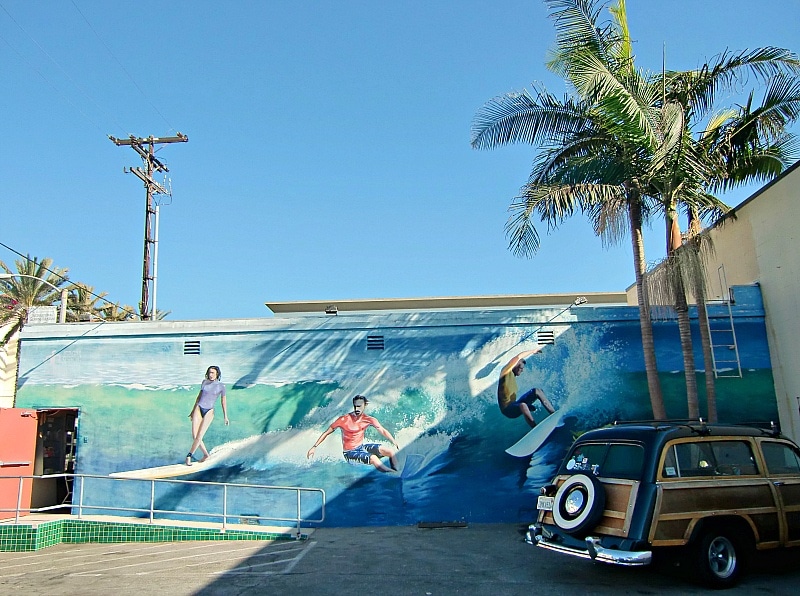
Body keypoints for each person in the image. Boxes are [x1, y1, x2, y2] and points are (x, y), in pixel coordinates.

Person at [307, 395, 399, 473]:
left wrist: (393, 441)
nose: (357, 409)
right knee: (374, 458)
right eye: (355, 406)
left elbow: (382, 430)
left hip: (361, 447)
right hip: (349, 453)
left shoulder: (369, 420)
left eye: (359, 406)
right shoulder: (344, 420)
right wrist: (314, 447)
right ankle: (392, 473)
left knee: (390, 451)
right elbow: (326, 432)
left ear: (365, 405)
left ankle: (397, 471)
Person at [497, 349, 555, 428]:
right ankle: (535, 428)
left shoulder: (513, 377)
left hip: (515, 404)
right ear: (514, 366)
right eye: (521, 368)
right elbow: (518, 357)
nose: (522, 370)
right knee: (523, 405)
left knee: (537, 391)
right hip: (507, 410)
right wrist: (532, 351)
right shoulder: (505, 373)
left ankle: (553, 413)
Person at [185, 365, 229, 466]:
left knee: (199, 436)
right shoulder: (204, 382)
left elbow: (223, 401)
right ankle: (205, 455)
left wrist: (225, 416)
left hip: (209, 411)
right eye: (209, 372)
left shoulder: (221, 386)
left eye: (213, 373)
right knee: (195, 435)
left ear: (217, 374)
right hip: (199, 407)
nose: (210, 375)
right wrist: (192, 411)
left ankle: (189, 455)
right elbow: (199, 397)